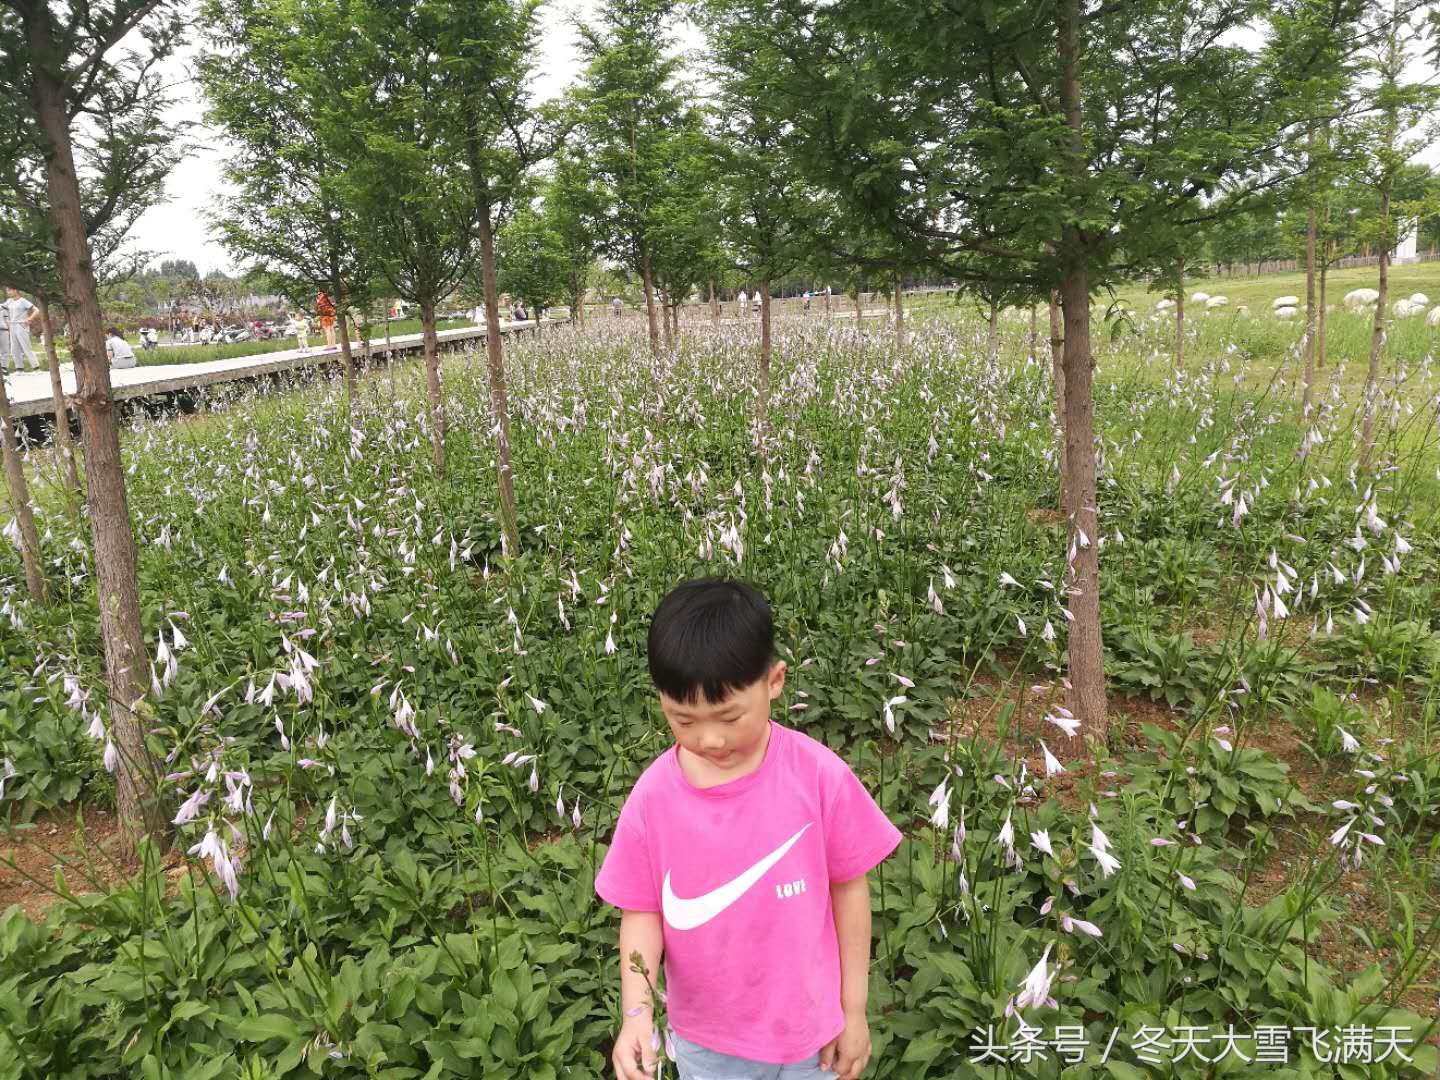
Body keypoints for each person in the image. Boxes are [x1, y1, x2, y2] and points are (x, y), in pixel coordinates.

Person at [596, 578, 900, 1080]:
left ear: (775, 681)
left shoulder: (817, 775)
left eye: (729, 715)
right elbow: (642, 913)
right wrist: (636, 1017)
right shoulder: (654, 797)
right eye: (683, 720)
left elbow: (850, 892)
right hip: (708, 1043)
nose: (711, 738)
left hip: (812, 1033)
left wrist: (852, 1011)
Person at [4, 288, 41, 372]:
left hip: (21, 325)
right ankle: (19, 369)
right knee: (14, 349)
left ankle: (36, 368)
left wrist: (30, 319)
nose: (8, 292)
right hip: (12, 326)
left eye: (9, 290)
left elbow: (36, 310)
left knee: (26, 347)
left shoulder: (23, 301)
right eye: (7, 291)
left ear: (15, 290)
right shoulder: (9, 301)